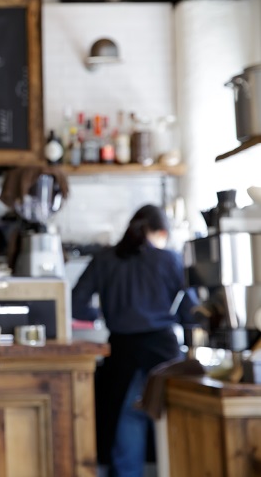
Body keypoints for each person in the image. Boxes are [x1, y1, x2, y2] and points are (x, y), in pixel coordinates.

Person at [71, 204, 198, 477]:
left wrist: (104, 313)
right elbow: (192, 313)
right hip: (164, 355)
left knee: (128, 424)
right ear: (161, 231)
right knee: (171, 424)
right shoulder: (170, 259)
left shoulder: (105, 259)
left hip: (122, 354)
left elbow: (75, 303)